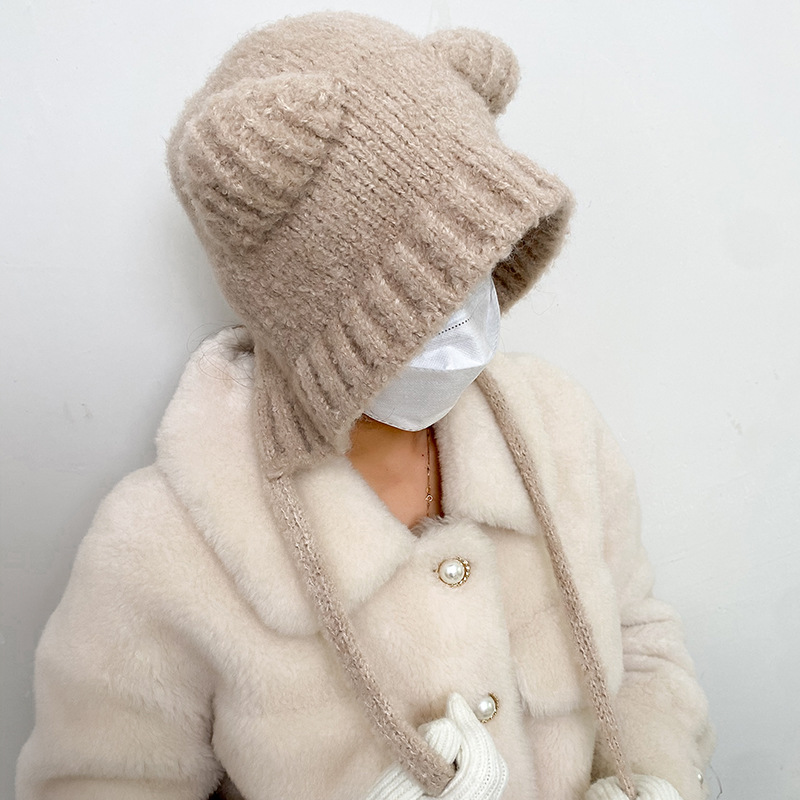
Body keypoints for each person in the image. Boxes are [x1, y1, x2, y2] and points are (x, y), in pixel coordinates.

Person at [15, 11, 714, 800]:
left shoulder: (559, 430)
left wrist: (655, 773)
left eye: (480, 265)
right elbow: (95, 779)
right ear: (315, 306)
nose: (466, 320)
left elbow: (640, 644)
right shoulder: (162, 543)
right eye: (422, 291)